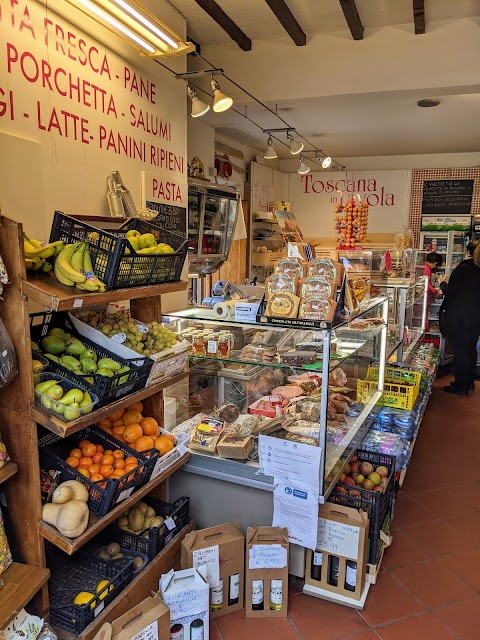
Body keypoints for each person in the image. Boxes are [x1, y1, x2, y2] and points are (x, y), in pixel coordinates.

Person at [439, 240, 480, 396]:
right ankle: (469, 383)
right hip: (476, 318)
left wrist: (442, 283)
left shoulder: (462, 269)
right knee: (470, 350)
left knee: (461, 352)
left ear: (468, 252)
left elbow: (451, 292)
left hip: (461, 319)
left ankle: (461, 387)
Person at [424, 252, 443, 331]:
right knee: (424, 318)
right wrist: (436, 292)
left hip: (425, 298)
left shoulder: (425, 267)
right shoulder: (427, 269)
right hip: (424, 299)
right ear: (435, 263)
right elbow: (427, 285)